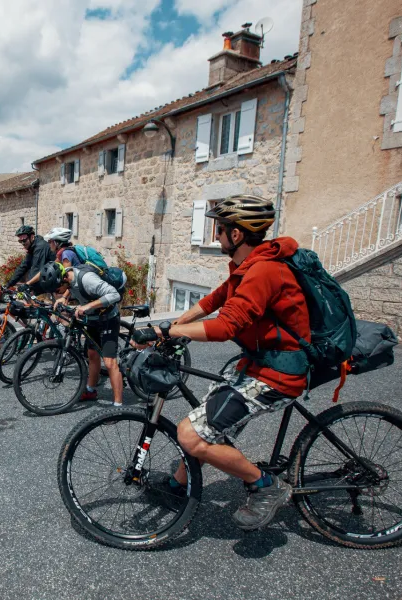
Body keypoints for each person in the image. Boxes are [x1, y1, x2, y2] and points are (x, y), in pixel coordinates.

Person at [143, 195, 310, 531]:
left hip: (278, 374)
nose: (216, 235)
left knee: (190, 435)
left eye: (219, 229)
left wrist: (170, 330)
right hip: (258, 363)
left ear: (236, 235)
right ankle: (179, 486)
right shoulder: (247, 267)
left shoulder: (263, 271)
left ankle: (266, 486)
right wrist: (166, 331)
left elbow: (226, 326)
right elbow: (213, 301)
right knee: (202, 421)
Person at [39, 261, 127, 407]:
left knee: (110, 362)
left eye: (57, 290)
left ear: (64, 279)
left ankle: (118, 406)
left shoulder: (88, 280)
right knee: (92, 355)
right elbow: (71, 287)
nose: (56, 293)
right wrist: (63, 297)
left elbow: (114, 295)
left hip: (108, 319)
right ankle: (90, 390)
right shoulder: (67, 276)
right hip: (93, 318)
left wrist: (88, 306)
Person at [6, 225, 55, 293]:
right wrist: (9, 284)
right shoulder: (32, 247)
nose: (23, 243)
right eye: (20, 241)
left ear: (32, 237)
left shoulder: (40, 247)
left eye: (24, 240)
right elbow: (23, 266)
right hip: (44, 282)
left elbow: (36, 269)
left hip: (50, 284)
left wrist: (28, 286)